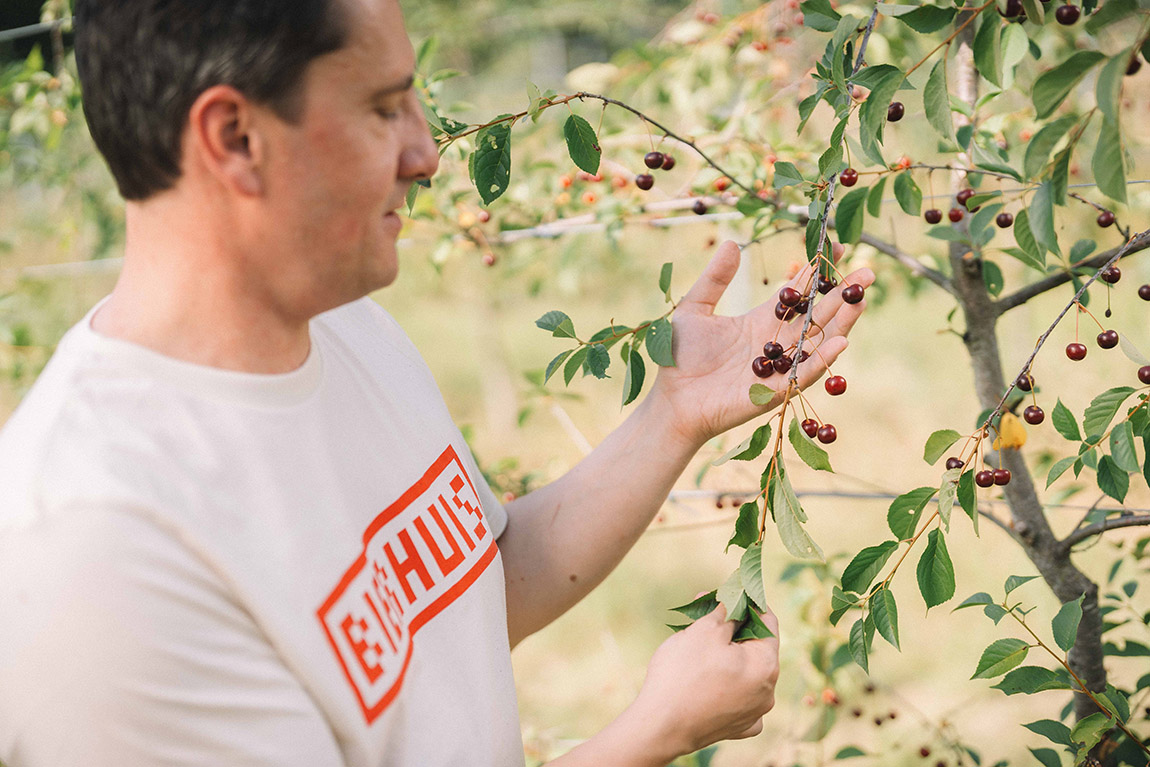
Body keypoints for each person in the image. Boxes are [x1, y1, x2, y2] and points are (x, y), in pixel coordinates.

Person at [0, 0, 874, 765]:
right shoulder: (101, 550)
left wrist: (674, 414)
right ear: (235, 139)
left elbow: (466, 599)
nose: (426, 151)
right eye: (384, 108)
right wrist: (646, 735)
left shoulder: (341, 326)